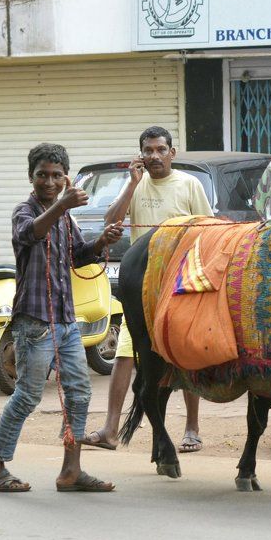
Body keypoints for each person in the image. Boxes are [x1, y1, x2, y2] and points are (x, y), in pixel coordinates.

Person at [0, 143, 124, 492]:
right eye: (42, 174)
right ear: (31, 177)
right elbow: (32, 233)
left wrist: (102, 240)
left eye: (57, 175)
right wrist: (62, 204)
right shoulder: (25, 212)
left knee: (79, 393)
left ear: (65, 177)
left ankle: (71, 471)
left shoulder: (65, 216)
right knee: (28, 395)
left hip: (66, 321)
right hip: (35, 323)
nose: (49, 181)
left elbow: (77, 257)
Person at [82, 126, 212, 453]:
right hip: (141, 288)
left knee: (185, 355)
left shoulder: (189, 184)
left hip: (180, 286)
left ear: (172, 153)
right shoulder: (136, 186)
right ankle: (111, 429)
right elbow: (110, 222)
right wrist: (131, 184)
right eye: (148, 151)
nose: (155, 156)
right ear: (140, 155)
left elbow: (210, 230)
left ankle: (192, 428)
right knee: (125, 353)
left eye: (160, 149)